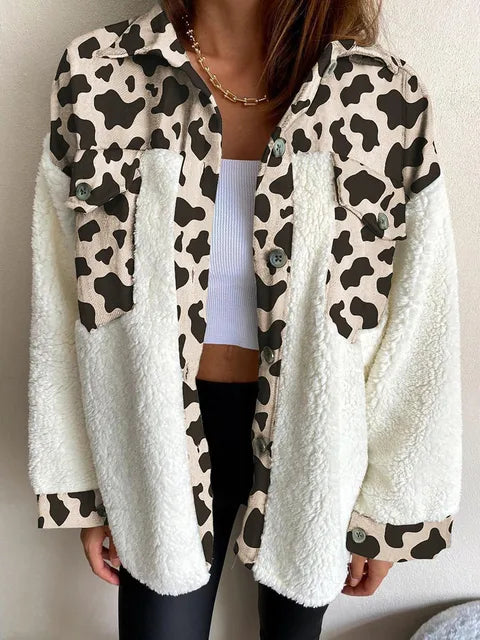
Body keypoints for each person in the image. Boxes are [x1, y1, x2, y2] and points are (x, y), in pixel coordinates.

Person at [27, 0, 463, 638]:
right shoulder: (99, 74)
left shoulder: (380, 95)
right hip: (150, 435)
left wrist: (392, 512)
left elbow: (420, 316)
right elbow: (63, 295)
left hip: (315, 442)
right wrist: (83, 489)